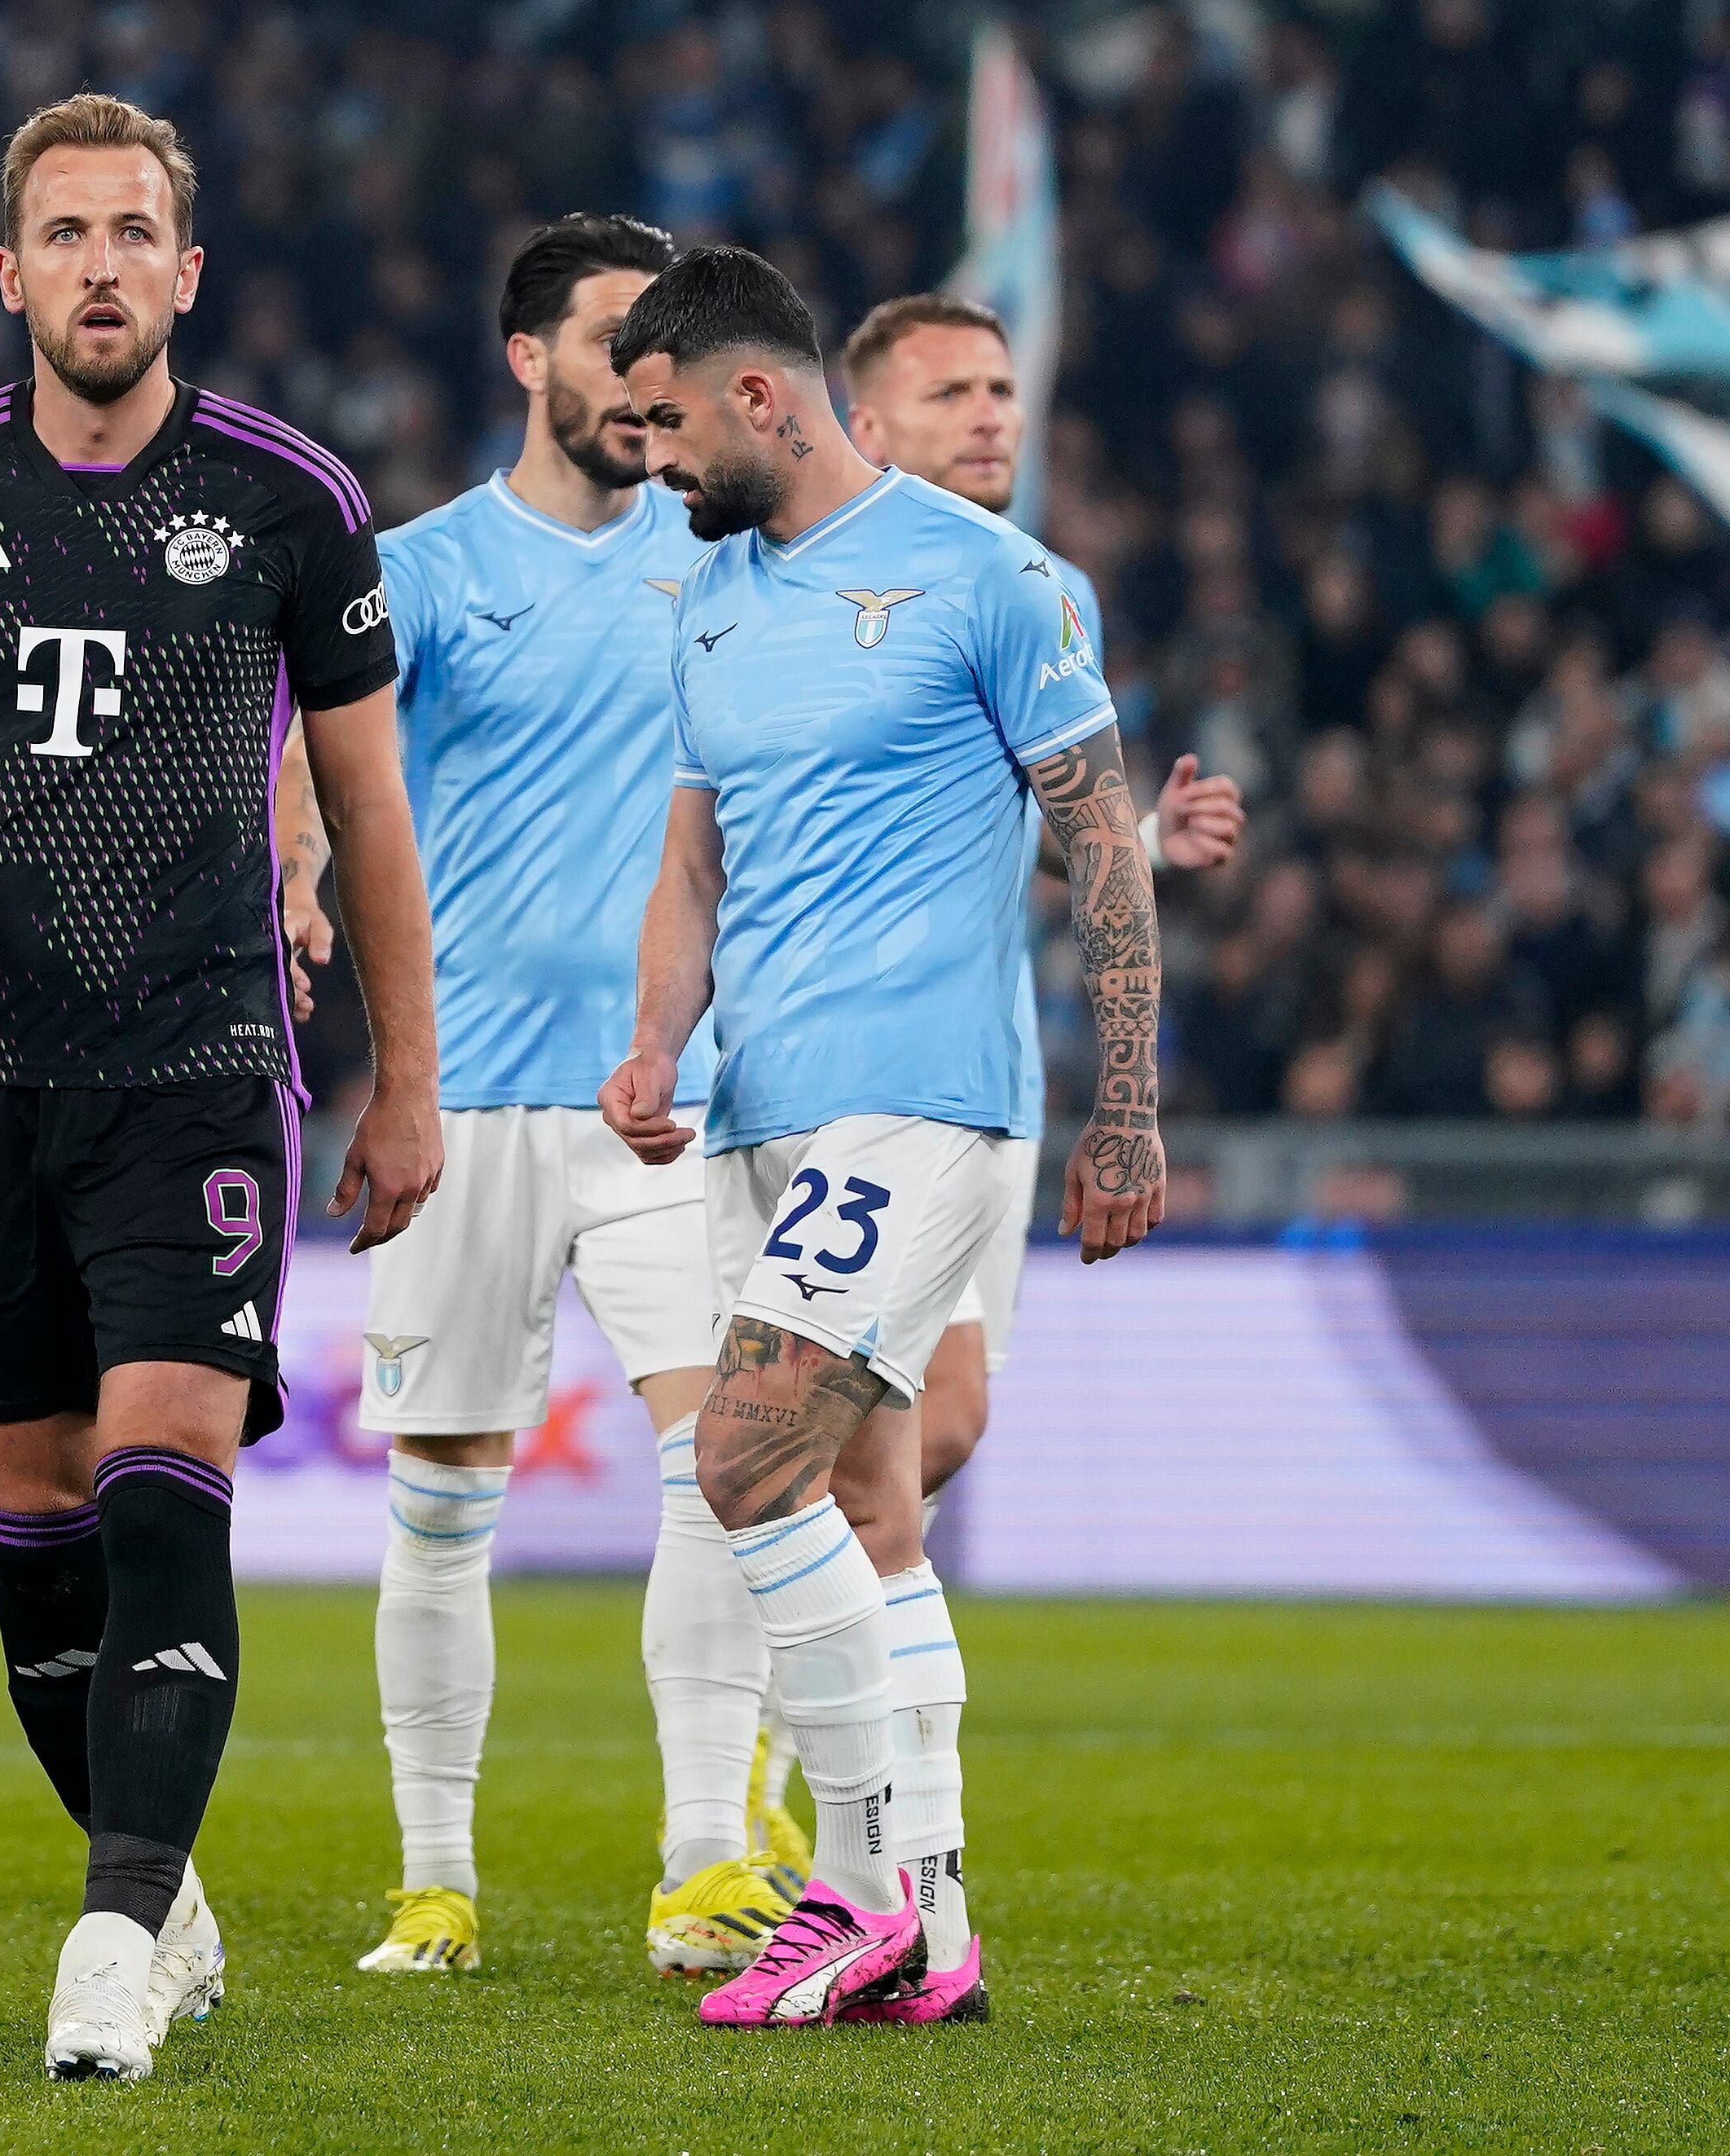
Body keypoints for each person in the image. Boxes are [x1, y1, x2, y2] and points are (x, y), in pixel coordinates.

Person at [0, 90, 443, 2083]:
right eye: (65, 234)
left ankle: (114, 1931)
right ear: (11, 273)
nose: (101, 266)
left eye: (134, 232)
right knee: (32, 1519)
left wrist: (404, 1078)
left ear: (186, 271)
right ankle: (166, 1892)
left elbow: (368, 808)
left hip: (198, 1066)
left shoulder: (291, 499)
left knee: (160, 1481)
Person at [598, 247, 1167, 2031]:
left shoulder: (991, 579)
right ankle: (930, 1918)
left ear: (758, 396)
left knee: (743, 1455)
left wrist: (1127, 1104)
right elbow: (695, 857)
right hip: (759, 1103)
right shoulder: (706, 601)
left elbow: (1104, 843)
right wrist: (653, 1040)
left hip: (920, 1093)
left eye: (667, 425)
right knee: (859, 1496)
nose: (652, 463)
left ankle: (861, 1890)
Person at [280, 213, 800, 1982]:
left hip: (667, 1095)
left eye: (658, 349)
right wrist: (293, 868)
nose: (641, 378)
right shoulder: (420, 569)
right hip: (465, 1103)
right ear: (526, 359)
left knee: (722, 1461)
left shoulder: (723, 560)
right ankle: (434, 1883)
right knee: (442, 1499)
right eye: (606, 342)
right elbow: (320, 760)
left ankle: (704, 1862)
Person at [834, 293, 1242, 1545]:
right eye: (948, 393)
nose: (988, 417)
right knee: (879, 1428)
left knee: (928, 1438)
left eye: (1001, 392)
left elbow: (1034, 831)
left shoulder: (1049, 590)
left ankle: (775, 1637)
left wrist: (1139, 846)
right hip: (831, 1061)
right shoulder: (805, 587)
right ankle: (754, 1634)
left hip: (987, 1064)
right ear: (866, 428)